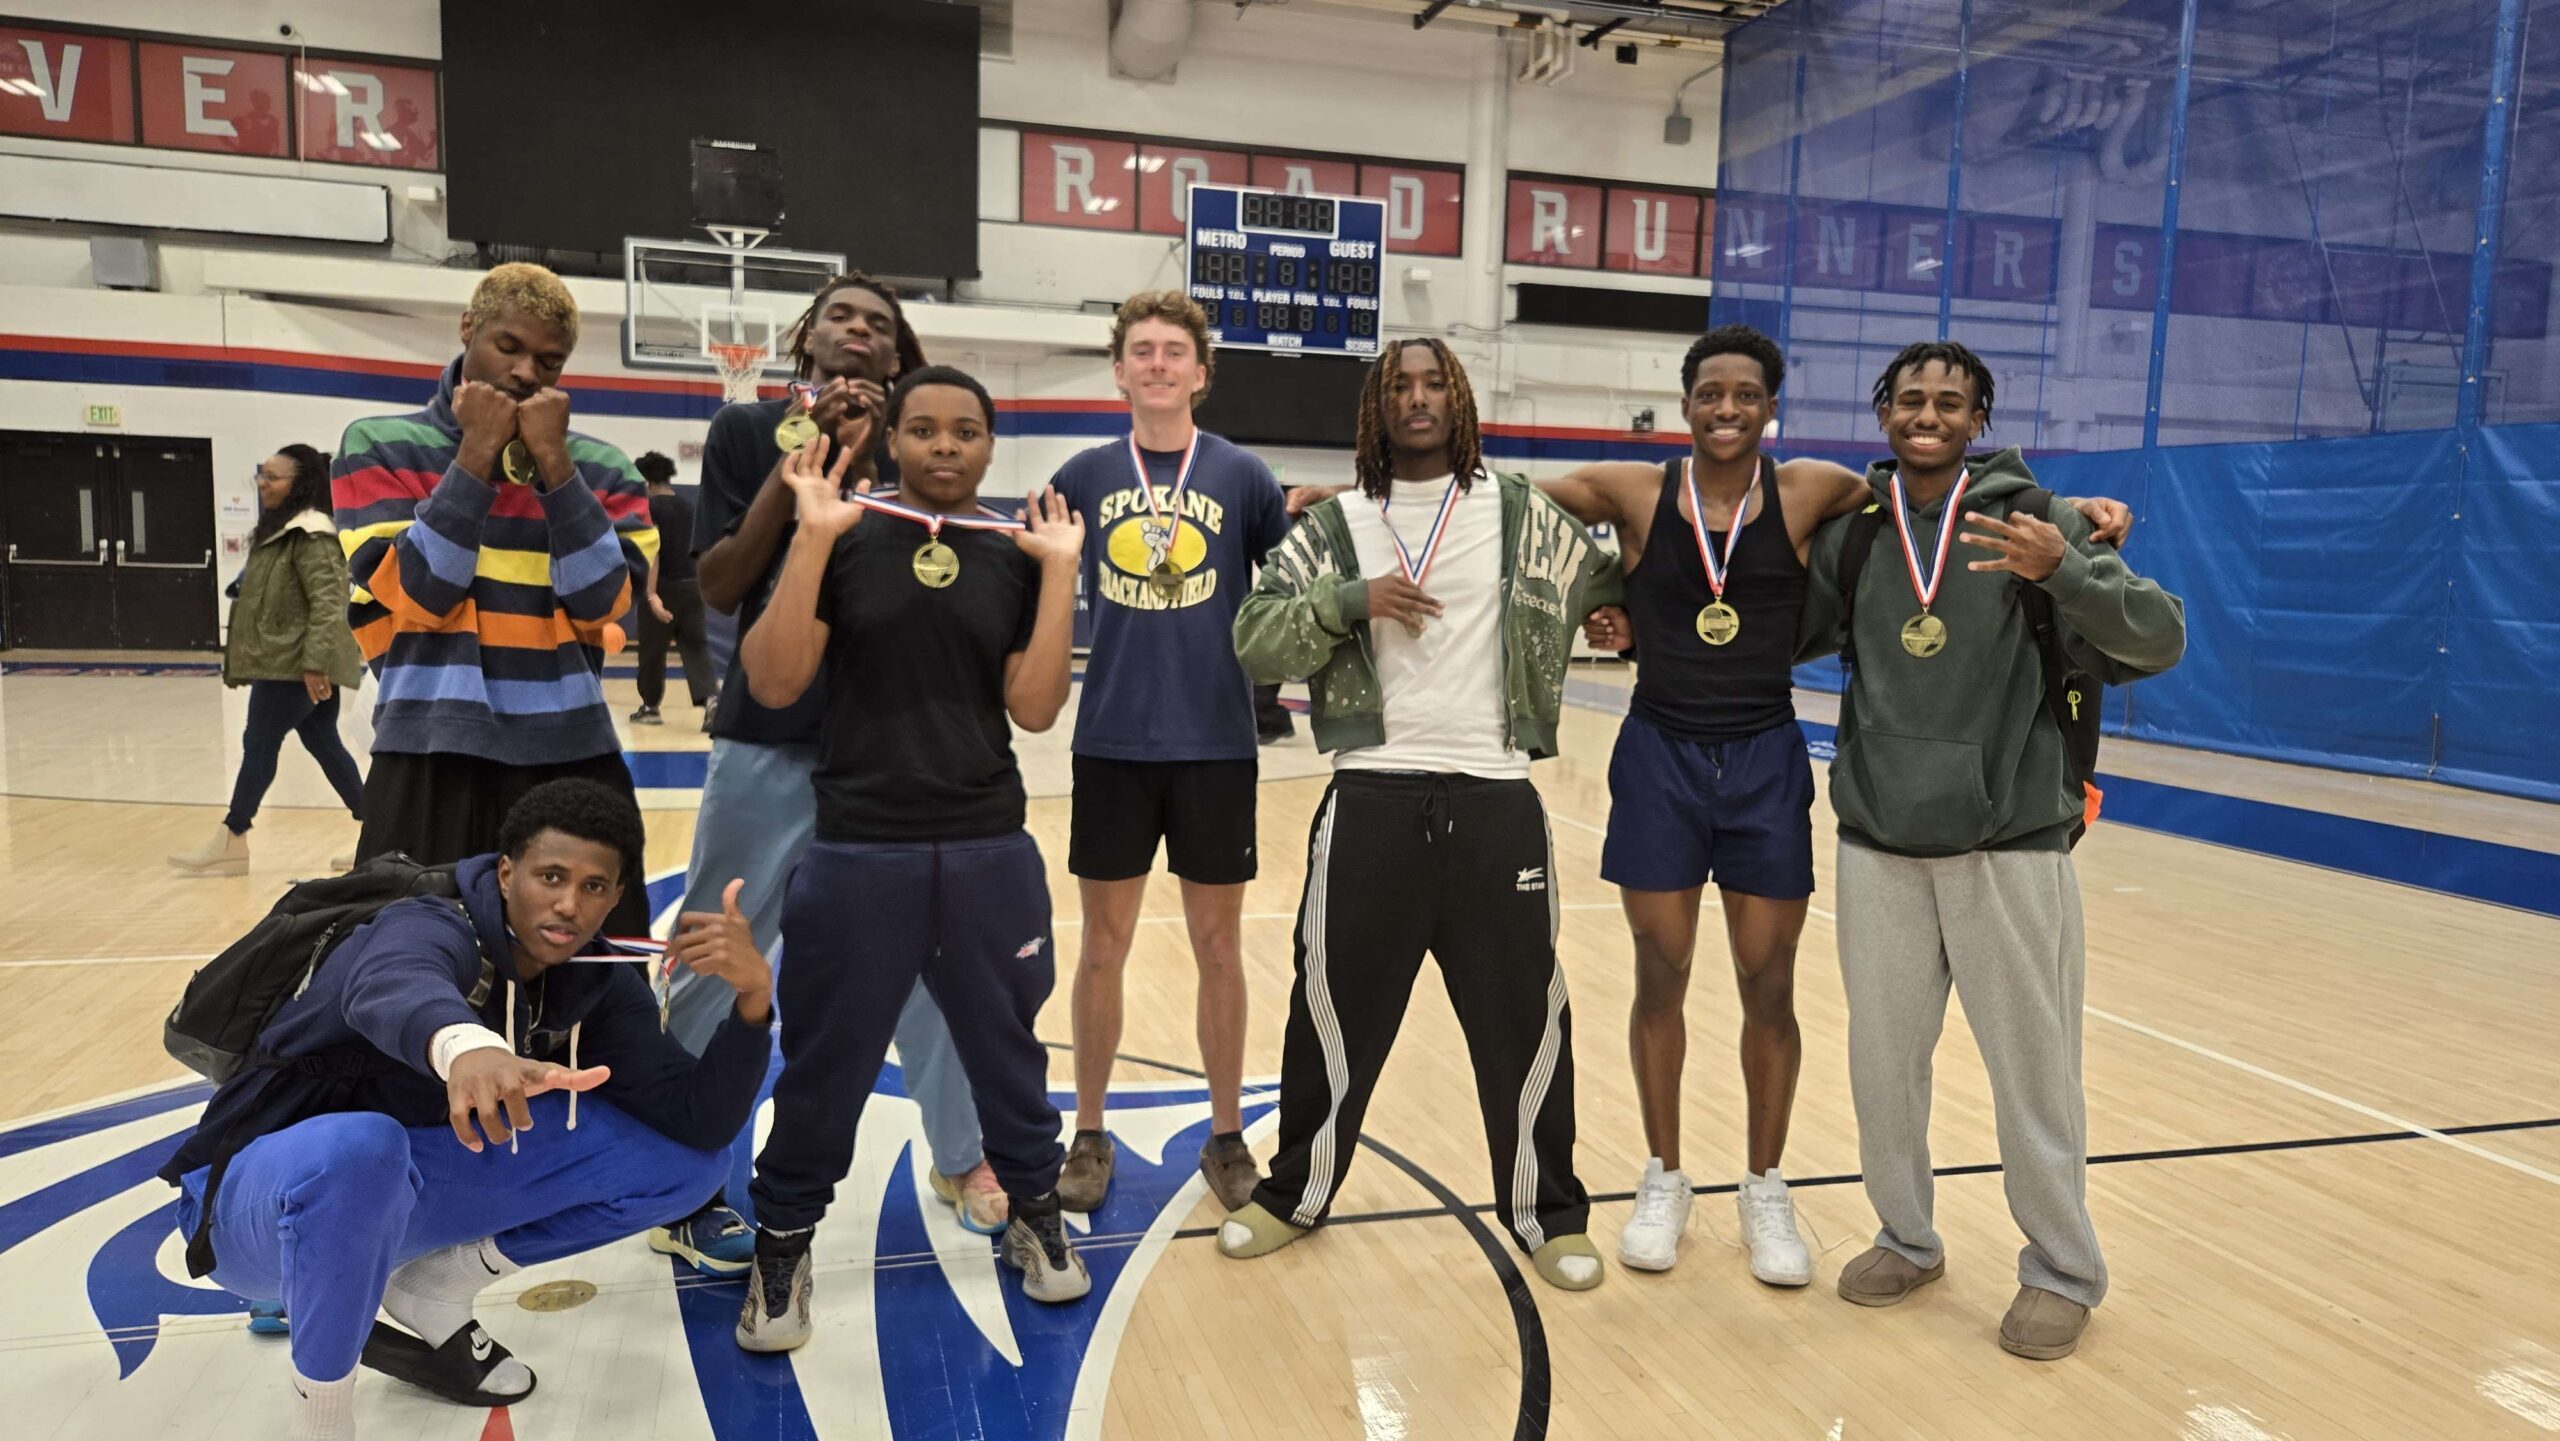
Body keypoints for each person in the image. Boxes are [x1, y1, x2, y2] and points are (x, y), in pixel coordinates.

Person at [1542, 326, 2135, 1282]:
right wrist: (1618, 607)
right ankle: (1733, 1194)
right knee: (1741, 1003)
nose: (1727, 408)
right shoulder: (1739, 506)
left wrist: (2074, 532)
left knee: (1807, 995)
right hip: (1754, 788)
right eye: (1710, 393)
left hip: (1881, 796)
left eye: (1746, 394)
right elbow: (1527, 510)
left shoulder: (1908, 501)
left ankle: (1795, 1194)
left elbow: (2130, 619)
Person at [158, 779, 773, 1441]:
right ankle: (324, 1423)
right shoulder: (426, 921)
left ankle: (434, 1286)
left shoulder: (597, 980)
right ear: (506, 873)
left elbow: (699, 1122)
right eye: (551, 876)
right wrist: (465, 1045)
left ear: (616, 896)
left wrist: (752, 1000)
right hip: (250, 1207)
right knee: (363, 1149)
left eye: (593, 886)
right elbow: (393, 981)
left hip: (403, 1189)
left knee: (688, 1166)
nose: (569, 904)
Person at [1798, 340, 2184, 1360]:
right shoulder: (1857, 533)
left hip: (2008, 842)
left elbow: (2159, 637)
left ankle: (2062, 1269)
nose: (1927, 414)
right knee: (1882, 1067)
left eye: (1949, 401)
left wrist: (2068, 571)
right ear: (1883, 413)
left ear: (1978, 420)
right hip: (1878, 838)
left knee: (2033, 1074)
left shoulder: (2040, 520)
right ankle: (1905, 1236)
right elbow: (1775, 631)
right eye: (1910, 399)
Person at [1222, 338, 1624, 1292]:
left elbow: (1612, 580)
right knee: (1330, 1015)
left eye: (1434, 382)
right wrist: (1349, 599)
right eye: (1398, 384)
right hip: (1372, 792)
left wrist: (1619, 616)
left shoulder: (1520, 511)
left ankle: (1548, 1211)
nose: (1417, 397)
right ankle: (1295, 1193)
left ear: (1460, 398)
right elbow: (1254, 638)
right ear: (1375, 405)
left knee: (1525, 1019)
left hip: (1496, 795)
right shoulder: (1335, 525)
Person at [645, 273, 1001, 1277]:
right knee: (719, 946)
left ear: (899, 354)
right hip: (767, 735)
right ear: (808, 336)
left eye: (879, 324)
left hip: (891, 747)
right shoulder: (745, 431)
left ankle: (964, 1155)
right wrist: (803, 466)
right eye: (841, 314)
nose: (858, 330)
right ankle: (684, 1178)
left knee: (931, 953)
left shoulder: (923, 447)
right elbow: (720, 583)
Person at [735, 366, 1090, 1350]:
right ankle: (783, 1243)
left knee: (1008, 1054)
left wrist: (1061, 571)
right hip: (860, 846)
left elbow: (1035, 707)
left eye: (965, 431)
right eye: (924, 428)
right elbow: (772, 680)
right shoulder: (846, 534)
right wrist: (810, 536)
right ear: (892, 440)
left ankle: (1035, 1211)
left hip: (987, 846)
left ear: (988, 446)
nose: (944, 445)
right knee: (825, 1064)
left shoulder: (1014, 553)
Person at [1044, 291, 1292, 1214]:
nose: (1157, 363)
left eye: (1173, 351)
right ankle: (1089, 1131)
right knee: (1102, 948)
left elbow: (1288, 591)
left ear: (1199, 372)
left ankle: (1226, 1137)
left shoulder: (1243, 475)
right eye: (1141, 350)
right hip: (1111, 739)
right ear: (1119, 371)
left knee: (1218, 947)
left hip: (1216, 744)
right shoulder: (1082, 473)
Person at [332, 262, 660, 940]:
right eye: (508, 346)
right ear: (468, 330)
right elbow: (421, 591)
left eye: (549, 360)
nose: (525, 372)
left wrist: (557, 468)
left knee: (596, 964)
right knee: (410, 958)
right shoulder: (377, 444)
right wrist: (477, 453)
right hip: (430, 747)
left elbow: (603, 601)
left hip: (571, 750)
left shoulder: (603, 468)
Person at [170, 443, 366, 877]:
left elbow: (328, 602)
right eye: (261, 475)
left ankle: (233, 836)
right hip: (290, 660)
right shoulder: (284, 529)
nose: (263, 484)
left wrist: (315, 663)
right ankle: (381, 834)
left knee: (259, 743)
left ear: (301, 483)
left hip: (294, 665)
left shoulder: (310, 532)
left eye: (273, 477)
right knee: (324, 744)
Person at [629, 451, 715, 728]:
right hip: (692, 586)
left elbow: (653, 551)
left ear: (646, 480)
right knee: (696, 647)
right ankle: (711, 701)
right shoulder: (689, 506)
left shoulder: (649, 508)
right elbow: (701, 550)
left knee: (652, 651)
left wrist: (651, 594)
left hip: (661, 586)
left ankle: (650, 707)